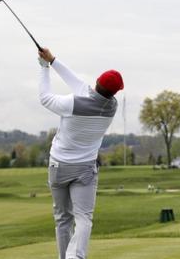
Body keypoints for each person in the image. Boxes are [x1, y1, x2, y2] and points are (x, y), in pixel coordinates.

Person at [38, 48, 123, 259]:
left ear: (96, 82)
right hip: (85, 169)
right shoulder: (111, 106)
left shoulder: (73, 103)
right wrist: (53, 60)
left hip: (58, 167)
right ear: (114, 92)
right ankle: (75, 257)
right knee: (83, 217)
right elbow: (77, 84)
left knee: (62, 218)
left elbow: (45, 98)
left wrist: (44, 68)